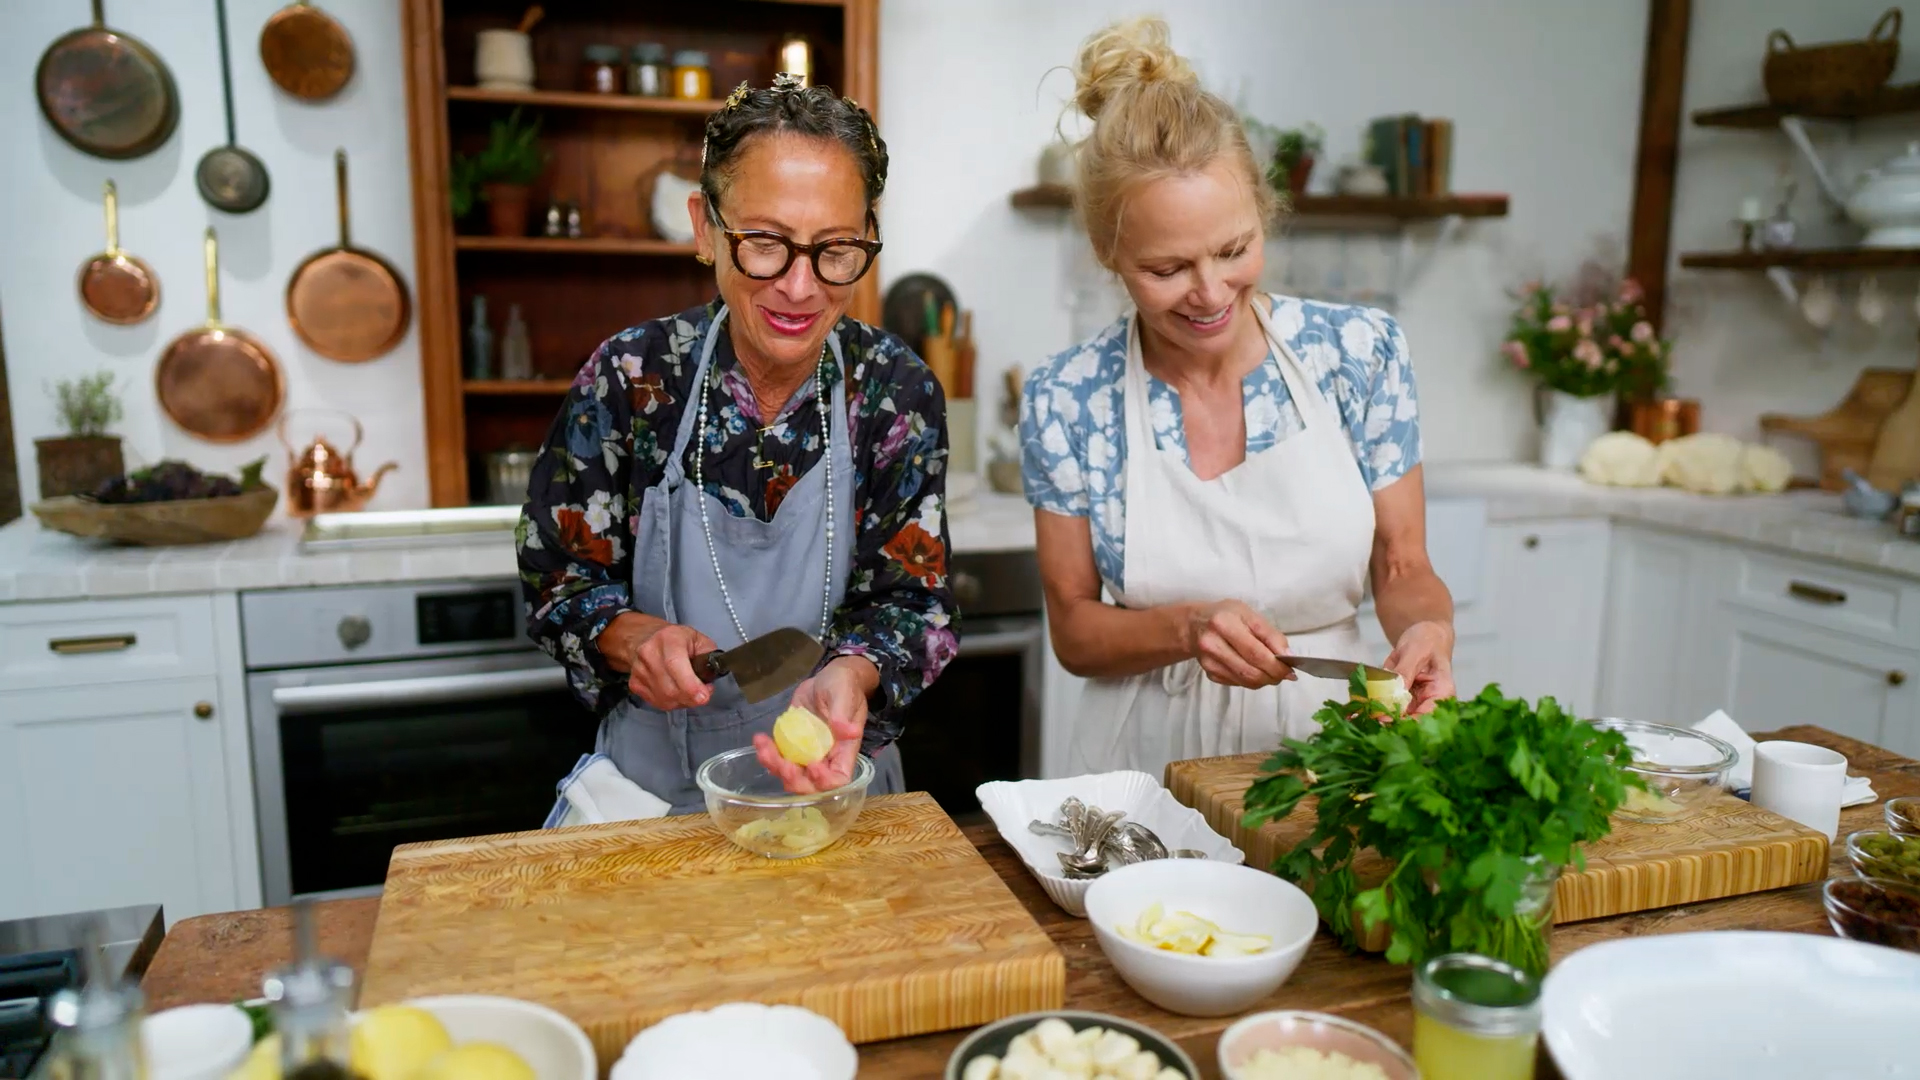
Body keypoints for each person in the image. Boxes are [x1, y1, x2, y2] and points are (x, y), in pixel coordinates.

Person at [1020, 18, 1456, 780]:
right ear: (1108, 253)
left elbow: (1402, 562)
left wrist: (1427, 630)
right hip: (1145, 760)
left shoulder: (1358, 353)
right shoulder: (1068, 397)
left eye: (1233, 249)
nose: (1212, 293)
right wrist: (1189, 628)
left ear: (1263, 211)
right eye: (1168, 269)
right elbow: (1077, 633)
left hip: (1338, 748)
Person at [518, 75, 957, 815]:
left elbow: (915, 605)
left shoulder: (895, 392)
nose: (798, 286)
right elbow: (556, 580)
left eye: (835, 249)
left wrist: (851, 672)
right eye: (764, 243)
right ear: (705, 227)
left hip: (833, 786)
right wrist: (632, 637)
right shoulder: (633, 378)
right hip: (648, 795)